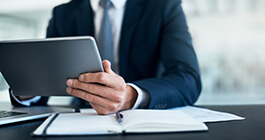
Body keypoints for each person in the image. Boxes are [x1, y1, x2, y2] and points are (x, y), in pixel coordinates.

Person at [10, 0, 202, 115]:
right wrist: (27, 88)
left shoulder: (163, 6)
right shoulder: (63, 14)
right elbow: (47, 77)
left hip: (144, 118)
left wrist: (131, 96)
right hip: (80, 118)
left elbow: (188, 78)